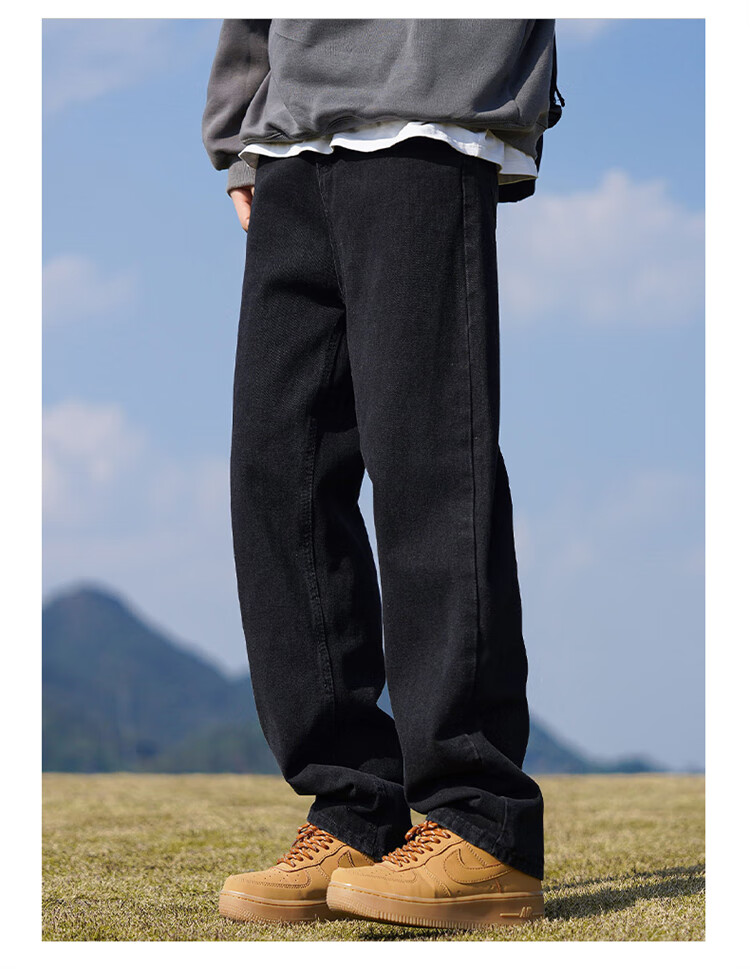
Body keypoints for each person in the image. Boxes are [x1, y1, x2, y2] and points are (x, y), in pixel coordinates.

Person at [202, 18, 563, 930]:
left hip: (427, 107)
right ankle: (355, 803)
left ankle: (478, 817)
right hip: (292, 136)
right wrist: (239, 127)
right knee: (277, 472)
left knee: (427, 462)